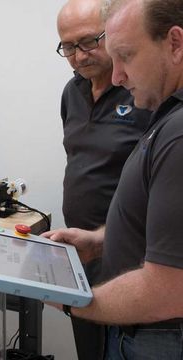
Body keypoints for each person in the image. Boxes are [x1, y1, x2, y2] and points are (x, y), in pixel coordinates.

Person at [45, 0, 183, 358]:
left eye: (125, 55)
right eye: (68, 48)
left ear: (175, 43)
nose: (119, 76)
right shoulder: (165, 111)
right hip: (106, 267)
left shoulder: (173, 124)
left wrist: (76, 304)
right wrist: (97, 241)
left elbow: (168, 288)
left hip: (156, 321)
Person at [55, 0, 151, 359]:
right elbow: (78, 158)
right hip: (80, 247)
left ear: (112, 34)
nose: (79, 56)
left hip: (131, 252)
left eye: (88, 41)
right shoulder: (72, 92)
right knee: (89, 345)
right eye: (68, 46)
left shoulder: (143, 90)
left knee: (123, 347)